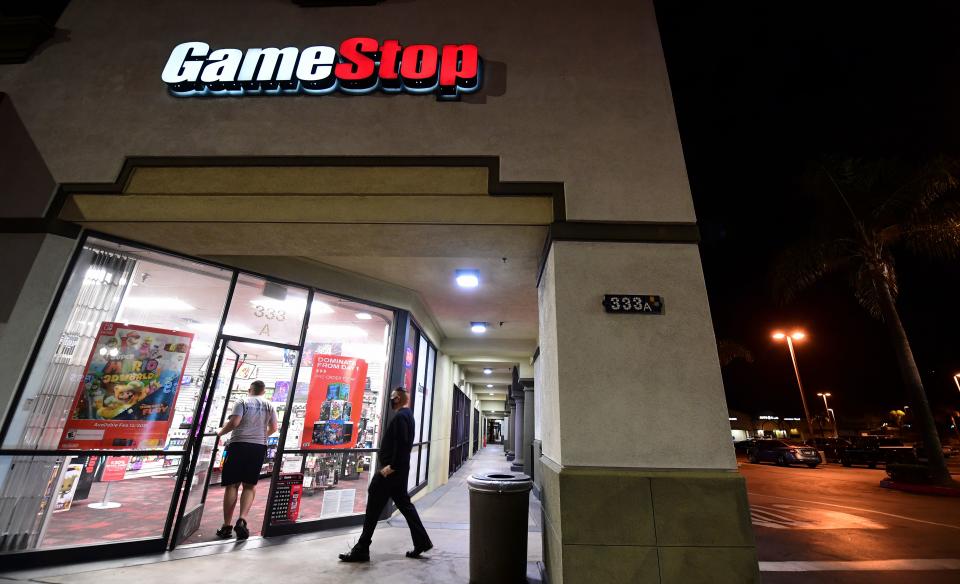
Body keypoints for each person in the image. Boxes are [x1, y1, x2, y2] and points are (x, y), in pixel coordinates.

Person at [339, 387, 432, 562]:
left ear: (397, 399)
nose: (390, 400)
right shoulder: (407, 416)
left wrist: (391, 467)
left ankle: (362, 548)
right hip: (398, 472)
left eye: (391, 397)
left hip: (391, 472)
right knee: (404, 505)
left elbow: (402, 444)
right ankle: (422, 542)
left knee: (374, 504)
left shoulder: (400, 417)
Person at [215, 379, 278, 540]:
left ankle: (227, 526)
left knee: (232, 485)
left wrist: (221, 433)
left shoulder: (242, 401)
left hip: (239, 444)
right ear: (263, 391)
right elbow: (274, 428)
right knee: (249, 486)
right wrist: (261, 436)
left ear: (250, 389)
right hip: (258, 447)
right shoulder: (270, 405)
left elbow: (234, 422)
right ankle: (242, 520)